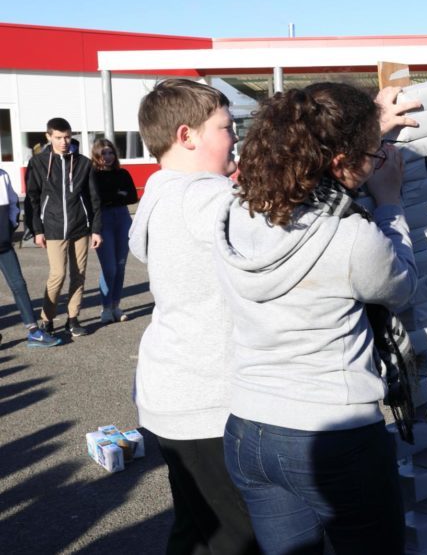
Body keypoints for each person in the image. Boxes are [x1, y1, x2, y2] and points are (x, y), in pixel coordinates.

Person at [215, 83, 415, 555]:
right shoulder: (351, 239)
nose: (376, 160)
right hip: (333, 437)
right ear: (341, 162)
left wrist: (365, 131)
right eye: (371, 153)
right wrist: (390, 203)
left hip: (248, 428)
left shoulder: (235, 211)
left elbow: (314, 175)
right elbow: (401, 286)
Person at [128, 79, 258, 554]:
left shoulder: (164, 191)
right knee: (236, 533)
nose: (235, 139)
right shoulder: (202, 197)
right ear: (187, 136)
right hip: (206, 394)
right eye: (225, 128)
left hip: (174, 389)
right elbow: (279, 233)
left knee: (198, 524)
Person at [24, 117, 102, 338]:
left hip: (80, 227)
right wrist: (37, 230)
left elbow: (94, 199)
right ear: (48, 137)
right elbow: (32, 199)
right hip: (53, 227)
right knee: (57, 274)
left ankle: (72, 319)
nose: (64, 141)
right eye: (58, 137)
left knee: (79, 275)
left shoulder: (84, 163)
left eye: (67, 137)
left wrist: (96, 229)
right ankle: (47, 320)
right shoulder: (38, 163)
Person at [0, 168, 60, 348]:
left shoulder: (3, 175)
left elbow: (12, 204)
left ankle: (34, 332)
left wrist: (10, 226)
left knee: (19, 284)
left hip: (3, 245)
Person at [90, 138, 138, 324]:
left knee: (120, 266)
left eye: (111, 153)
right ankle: (106, 307)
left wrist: (113, 196)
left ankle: (116, 306)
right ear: (96, 154)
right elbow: (97, 199)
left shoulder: (123, 173)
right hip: (103, 221)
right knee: (109, 268)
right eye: (104, 153)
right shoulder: (93, 175)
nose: (108, 157)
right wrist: (119, 194)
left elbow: (132, 196)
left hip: (123, 219)